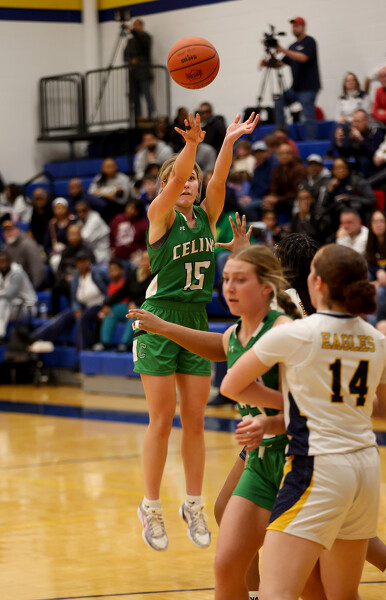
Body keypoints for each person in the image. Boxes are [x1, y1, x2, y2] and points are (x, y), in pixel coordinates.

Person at [127, 245, 330, 600]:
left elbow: (309, 406)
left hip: (296, 455)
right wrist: (165, 328)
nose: (229, 289)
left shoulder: (285, 328)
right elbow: (222, 345)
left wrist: (267, 418)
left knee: (311, 578)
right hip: (260, 455)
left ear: (266, 285)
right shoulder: (242, 329)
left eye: (240, 280)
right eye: (225, 280)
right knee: (226, 563)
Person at [220, 243, 386, 600]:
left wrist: (290, 406)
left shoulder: (295, 333)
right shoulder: (376, 339)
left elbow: (231, 385)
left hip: (317, 466)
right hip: (365, 470)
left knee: (277, 591)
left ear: (317, 283)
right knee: (342, 594)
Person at [130, 111, 258, 552]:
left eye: (193, 180)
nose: (189, 183)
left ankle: (193, 504)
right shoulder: (159, 214)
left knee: (196, 420)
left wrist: (229, 141)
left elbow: (218, 179)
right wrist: (189, 147)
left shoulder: (206, 215)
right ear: (166, 186)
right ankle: (150, 506)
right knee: (162, 418)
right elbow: (177, 181)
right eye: (180, 180)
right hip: (157, 319)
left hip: (195, 320)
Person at [30, 250, 108, 355]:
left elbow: (110, 287)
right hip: (83, 306)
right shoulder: (75, 279)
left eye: (84, 261)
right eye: (79, 261)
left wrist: (108, 304)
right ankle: (36, 337)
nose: (82, 264)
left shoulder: (98, 272)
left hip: (99, 305)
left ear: (89, 262)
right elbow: (74, 298)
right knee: (65, 315)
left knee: (83, 318)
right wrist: (76, 308)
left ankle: (81, 353)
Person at [266, 17, 321, 140]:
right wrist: (268, 62)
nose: (294, 28)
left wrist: (282, 50)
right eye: (293, 26)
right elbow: (281, 63)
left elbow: (303, 58)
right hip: (295, 88)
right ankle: (281, 135)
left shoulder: (309, 41)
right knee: (279, 101)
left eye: (297, 26)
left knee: (308, 116)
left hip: (309, 88)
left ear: (303, 27)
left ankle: (310, 142)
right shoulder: (292, 46)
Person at [97, 252, 152, 352]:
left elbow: (153, 296)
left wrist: (134, 302)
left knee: (135, 313)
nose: (145, 262)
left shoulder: (156, 276)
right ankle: (105, 342)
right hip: (131, 305)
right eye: (143, 259)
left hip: (146, 308)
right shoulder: (134, 274)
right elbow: (122, 292)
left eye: (148, 259)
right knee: (113, 310)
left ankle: (125, 344)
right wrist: (107, 303)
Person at [333, 109, 385, 177]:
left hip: (373, 162)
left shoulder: (376, 131)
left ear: (366, 121)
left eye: (357, 121)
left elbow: (373, 152)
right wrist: (339, 142)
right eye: (353, 121)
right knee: (339, 162)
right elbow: (346, 154)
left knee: (364, 161)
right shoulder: (353, 131)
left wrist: (360, 139)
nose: (355, 124)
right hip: (357, 160)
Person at [0, 250, 37, 342]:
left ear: (10, 262)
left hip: (27, 306)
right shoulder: (1, 273)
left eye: (4, 261)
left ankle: (1, 334)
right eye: (0, 262)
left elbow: (9, 294)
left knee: (3, 302)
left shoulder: (17, 273)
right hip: (13, 305)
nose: (2, 264)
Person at [123, 18, 154, 122]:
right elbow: (125, 55)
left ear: (142, 26)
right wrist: (130, 61)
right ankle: (138, 119)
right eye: (134, 25)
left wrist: (132, 30)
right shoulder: (130, 41)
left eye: (138, 25)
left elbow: (142, 42)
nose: (136, 27)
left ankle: (150, 117)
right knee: (135, 98)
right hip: (133, 74)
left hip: (144, 73)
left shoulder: (146, 37)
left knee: (147, 96)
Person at [2, 219, 46, 290]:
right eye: (6, 231)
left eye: (11, 230)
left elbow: (37, 269)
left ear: (17, 230)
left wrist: (34, 288)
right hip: (11, 285)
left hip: (27, 285)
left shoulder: (28, 245)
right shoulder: (6, 247)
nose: (8, 233)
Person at [75, 201, 110, 265]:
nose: (81, 213)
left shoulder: (95, 219)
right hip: (91, 255)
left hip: (101, 256)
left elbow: (84, 237)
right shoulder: (81, 221)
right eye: (78, 211)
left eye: (83, 210)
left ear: (89, 210)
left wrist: (75, 234)